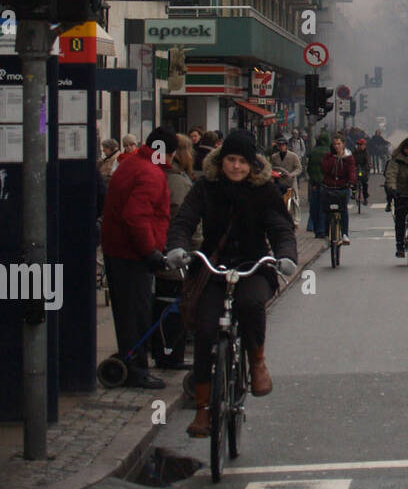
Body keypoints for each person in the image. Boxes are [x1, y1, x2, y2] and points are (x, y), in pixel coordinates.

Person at [164, 130, 298, 437]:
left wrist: (286, 256)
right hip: (213, 266)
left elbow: (281, 228)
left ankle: (257, 362)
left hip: (254, 265)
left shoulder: (264, 191)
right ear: (221, 161)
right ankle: (203, 410)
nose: (235, 167)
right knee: (205, 328)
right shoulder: (205, 187)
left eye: (242, 162)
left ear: (252, 165)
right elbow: (184, 219)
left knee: (250, 304)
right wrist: (177, 247)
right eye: (231, 160)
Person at [100, 127, 177, 389]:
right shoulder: (150, 174)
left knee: (127, 313)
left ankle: (130, 360)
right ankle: (136, 370)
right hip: (132, 255)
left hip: (116, 250)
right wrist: (150, 252)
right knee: (137, 313)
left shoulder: (132, 163)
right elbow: (137, 216)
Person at [152, 133, 198, 369]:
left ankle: (167, 352)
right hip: (176, 254)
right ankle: (170, 355)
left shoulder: (172, 177)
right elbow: (182, 219)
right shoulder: (177, 181)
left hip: (168, 250)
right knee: (172, 304)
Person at [320, 134, 357, 245]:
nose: (336, 146)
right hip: (329, 186)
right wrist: (334, 157)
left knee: (343, 210)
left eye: (339, 144)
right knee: (326, 211)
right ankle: (327, 234)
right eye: (334, 144)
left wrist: (352, 182)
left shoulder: (349, 157)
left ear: (343, 144)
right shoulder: (328, 156)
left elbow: (352, 170)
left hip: (342, 186)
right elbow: (325, 169)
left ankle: (345, 234)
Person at [305, 129, 332, 236]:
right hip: (326, 184)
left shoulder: (314, 151)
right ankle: (324, 229)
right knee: (325, 208)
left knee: (315, 207)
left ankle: (316, 229)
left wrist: (313, 179)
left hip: (315, 183)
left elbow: (309, 168)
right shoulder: (330, 152)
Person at [352, 137, 371, 205]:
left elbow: (368, 162)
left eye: (364, 145)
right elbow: (352, 161)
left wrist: (367, 168)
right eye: (362, 145)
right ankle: (354, 193)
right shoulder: (354, 152)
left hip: (364, 169)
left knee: (364, 183)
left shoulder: (366, 153)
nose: (363, 146)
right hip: (356, 168)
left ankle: (365, 198)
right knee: (353, 180)